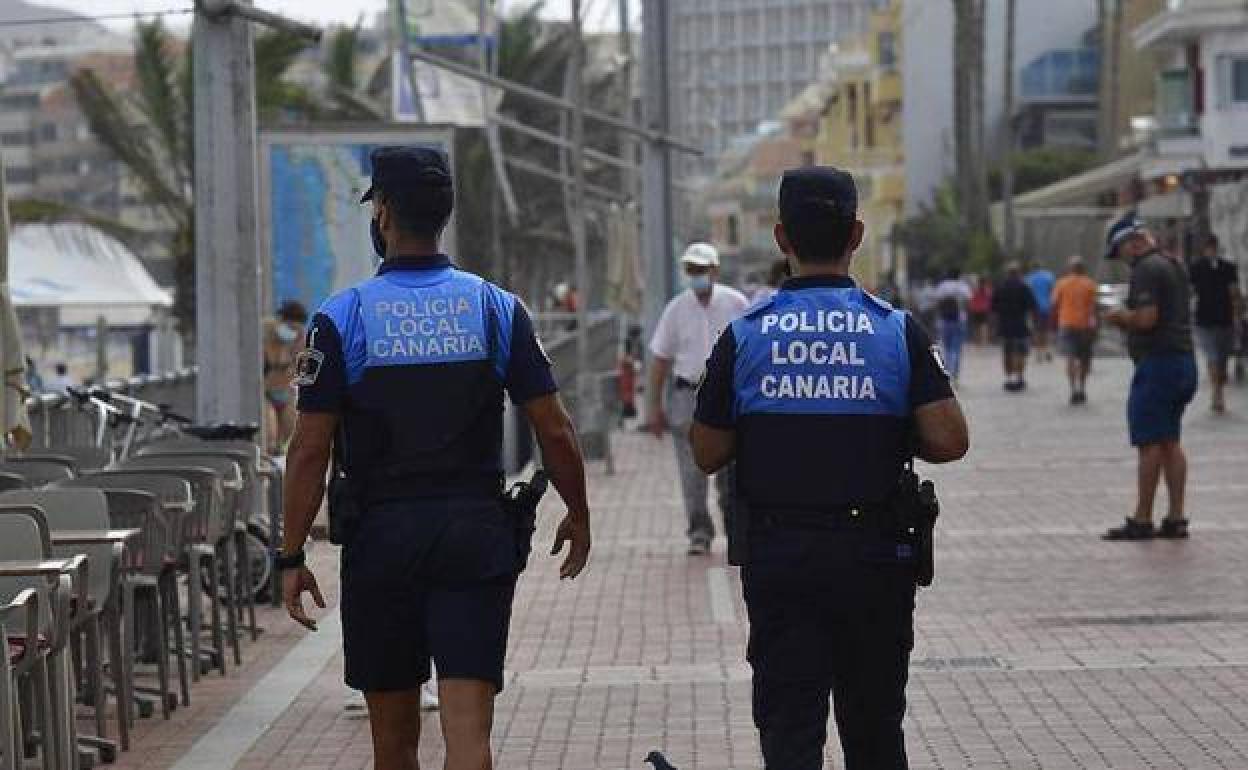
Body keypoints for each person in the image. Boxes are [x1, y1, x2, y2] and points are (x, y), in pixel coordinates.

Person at [278, 146, 593, 770]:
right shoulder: (495, 308)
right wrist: (579, 512)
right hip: (475, 535)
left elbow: (309, 448)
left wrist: (291, 555)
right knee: (469, 740)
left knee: (393, 748)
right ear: (444, 213)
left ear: (385, 214)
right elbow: (554, 429)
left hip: (381, 537)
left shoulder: (341, 318)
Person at [689, 167, 969, 770]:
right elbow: (950, 440)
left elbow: (708, 453)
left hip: (781, 560)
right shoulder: (896, 331)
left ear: (782, 237)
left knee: (790, 737)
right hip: (875, 561)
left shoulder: (744, 337)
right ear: (858, 234)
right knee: (874, 734)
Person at [647, 242, 750, 555]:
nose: (697, 276)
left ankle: (735, 529)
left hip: (729, 397)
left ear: (715, 270)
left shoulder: (736, 304)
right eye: (691, 270)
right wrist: (654, 407)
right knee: (691, 471)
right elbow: (661, 360)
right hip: (687, 396)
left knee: (731, 469)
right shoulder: (676, 309)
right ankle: (699, 531)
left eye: (702, 269)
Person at [1102, 213, 1198, 541]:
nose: (1122, 260)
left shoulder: (1146, 269)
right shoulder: (1173, 264)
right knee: (1171, 442)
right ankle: (1176, 516)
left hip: (1158, 364)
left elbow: (1146, 318)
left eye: (1120, 252)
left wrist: (1118, 317)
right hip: (1184, 360)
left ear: (1132, 242)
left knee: (1150, 444)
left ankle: (1142, 518)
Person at [1189, 234, 1242, 413]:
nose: (1211, 251)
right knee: (1212, 355)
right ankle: (1217, 393)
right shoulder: (1196, 268)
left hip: (1225, 319)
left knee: (1222, 359)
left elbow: (1234, 292)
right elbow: (1190, 292)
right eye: (1209, 247)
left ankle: (1218, 389)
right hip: (1204, 320)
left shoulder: (1228, 268)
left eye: (1213, 247)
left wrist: (1237, 315)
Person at [1050, 256, 1100, 404]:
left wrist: (1054, 322)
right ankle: (1082, 388)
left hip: (1066, 323)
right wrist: (1096, 326)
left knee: (1070, 358)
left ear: (1070, 269)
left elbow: (1053, 304)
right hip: (1085, 326)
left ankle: (1072, 389)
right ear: (1083, 269)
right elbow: (1095, 307)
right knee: (1084, 359)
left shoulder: (1061, 283)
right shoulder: (1090, 284)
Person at [263, 300, 309, 453]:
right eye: (290, 327)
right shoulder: (267, 332)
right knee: (269, 434)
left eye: (296, 329)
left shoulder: (301, 339)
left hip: (287, 393)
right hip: (266, 394)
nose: (293, 332)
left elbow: (304, 369)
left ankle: (278, 450)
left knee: (286, 437)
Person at [991, 263, 1037, 391]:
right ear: (1018, 273)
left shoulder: (1000, 287)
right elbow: (1032, 307)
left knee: (1007, 352)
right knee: (1020, 353)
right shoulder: (1024, 287)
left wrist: (994, 327)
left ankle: (1008, 379)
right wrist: (1032, 324)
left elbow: (993, 309)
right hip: (1020, 325)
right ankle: (1019, 378)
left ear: (1007, 273)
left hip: (1004, 325)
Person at [933, 268, 972, 381]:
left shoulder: (943, 286)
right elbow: (969, 299)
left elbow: (936, 301)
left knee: (947, 348)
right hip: (960, 319)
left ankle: (947, 371)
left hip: (944, 320)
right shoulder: (962, 286)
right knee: (956, 348)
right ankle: (955, 375)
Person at [1025, 264, 1056, 362]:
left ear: (1033, 268)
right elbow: (1053, 290)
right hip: (1047, 307)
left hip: (1034, 308)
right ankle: (1047, 350)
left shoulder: (1029, 278)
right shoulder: (1049, 276)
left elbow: (1027, 293)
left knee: (1037, 330)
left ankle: (1038, 354)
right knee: (1047, 330)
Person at [967, 274, 993, 344]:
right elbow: (990, 298)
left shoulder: (974, 289)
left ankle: (977, 340)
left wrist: (970, 307)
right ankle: (984, 340)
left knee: (976, 325)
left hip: (975, 309)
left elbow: (971, 298)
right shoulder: (987, 289)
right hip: (984, 309)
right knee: (984, 325)